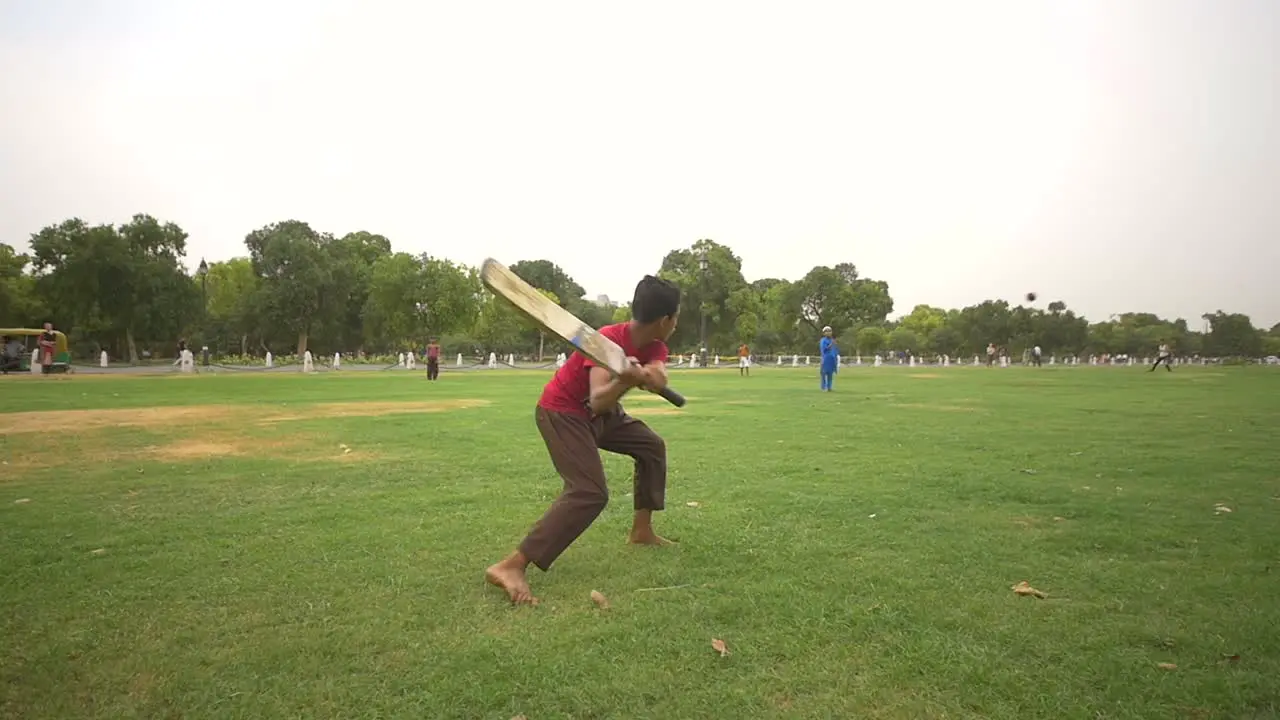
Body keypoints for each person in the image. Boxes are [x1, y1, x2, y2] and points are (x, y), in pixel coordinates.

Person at [485, 275, 681, 606]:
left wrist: (656, 376)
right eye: (676, 318)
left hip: (602, 418)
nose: (677, 324)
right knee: (589, 492)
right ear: (665, 320)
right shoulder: (605, 340)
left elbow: (657, 368)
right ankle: (512, 565)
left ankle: (642, 531)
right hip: (564, 412)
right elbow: (598, 399)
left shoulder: (656, 344)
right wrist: (625, 380)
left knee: (651, 446)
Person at [819, 326, 838, 391]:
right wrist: (831, 344)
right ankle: (823, 387)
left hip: (832, 359)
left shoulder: (832, 340)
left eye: (830, 331)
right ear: (824, 333)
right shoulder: (823, 340)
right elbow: (824, 349)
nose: (828, 332)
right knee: (824, 373)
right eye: (827, 331)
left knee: (830, 374)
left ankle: (829, 387)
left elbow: (835, 350)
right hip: (825, 359)